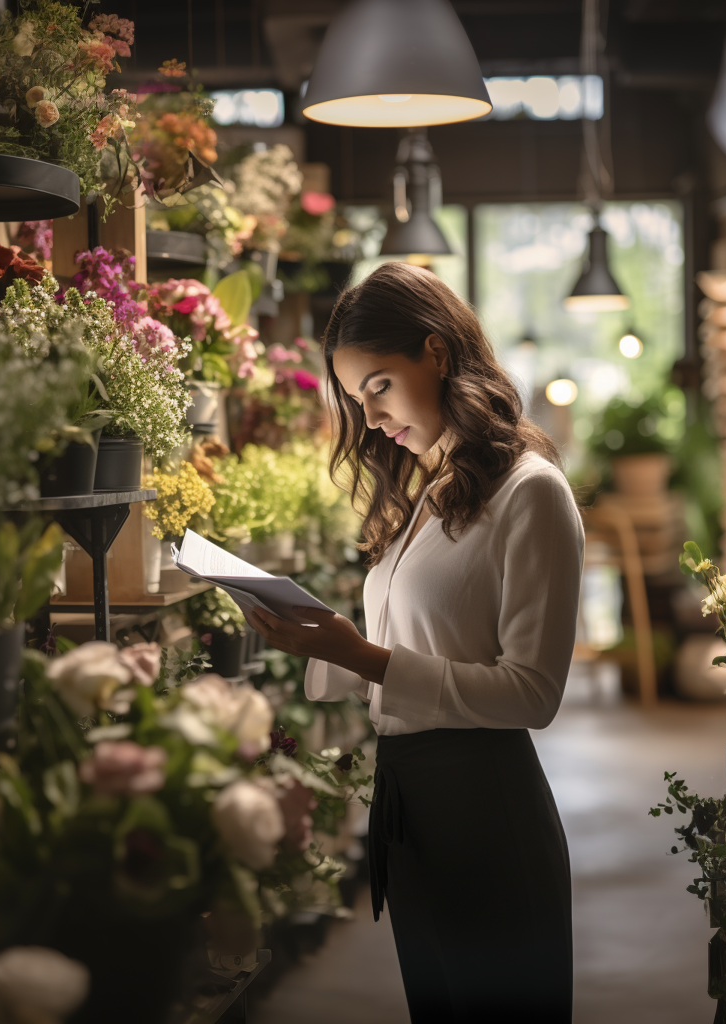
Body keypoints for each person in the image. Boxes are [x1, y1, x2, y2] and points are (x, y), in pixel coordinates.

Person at [244, 262, 584, 1023]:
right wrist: (323, 647)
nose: (369, 419)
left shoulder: (532, 492)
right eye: (356, 398)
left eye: (378, 387)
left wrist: (357, 654)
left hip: (485, 809)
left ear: (436, 353)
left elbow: (533, 692)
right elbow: (418, 650)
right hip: (410, 811)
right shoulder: (429, 491)